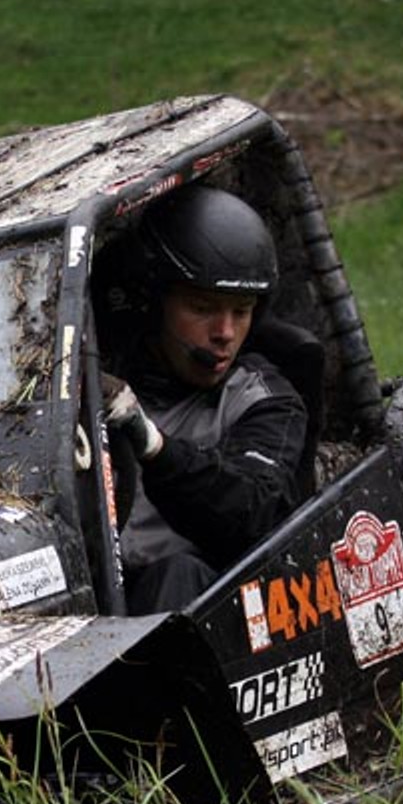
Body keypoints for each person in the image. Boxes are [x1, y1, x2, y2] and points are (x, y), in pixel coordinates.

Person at [99, 185, 312, 612]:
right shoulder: (93, 377)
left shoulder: (265, 401)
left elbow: (249, 512)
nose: (225, 333)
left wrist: (153, 445)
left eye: (241, 310)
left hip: (204, 620)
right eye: (202, 308)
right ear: (154, 303)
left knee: (179, 574)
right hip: (86, 610)